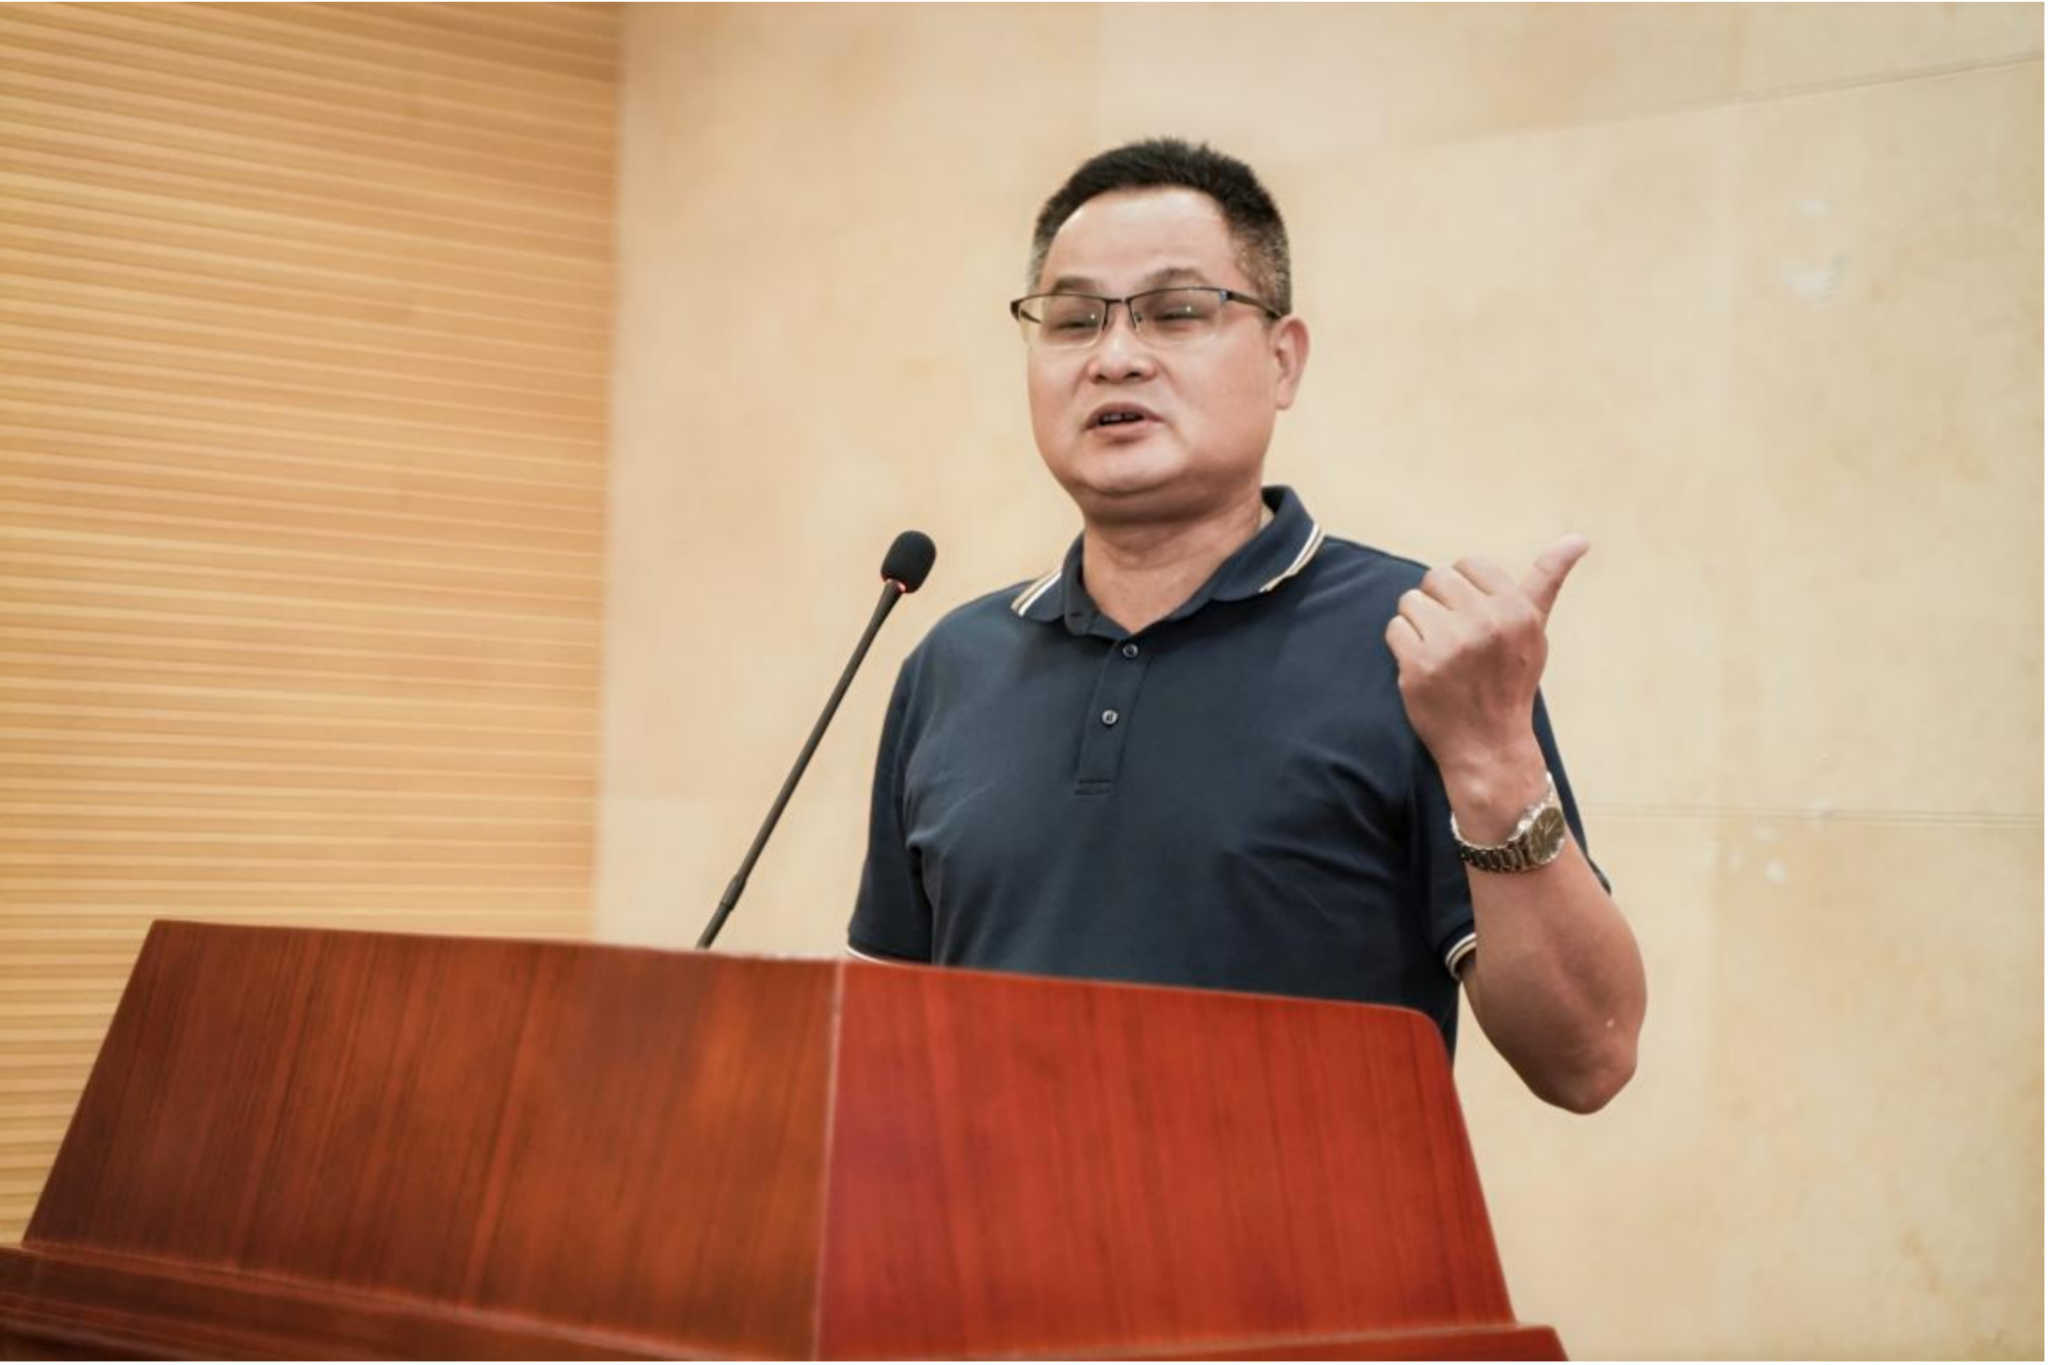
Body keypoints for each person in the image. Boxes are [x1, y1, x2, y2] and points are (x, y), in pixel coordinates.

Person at [846, 138, 1645, 1113]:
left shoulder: (1415, 646)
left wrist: (1494, 762)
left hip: (1303, 1220)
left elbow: (1586, 1059)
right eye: (1072, 320)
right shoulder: (953, 663)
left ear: (1281, 359)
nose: (1114, 356)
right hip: (989, 1219)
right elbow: (893, 1046)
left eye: (1176, 312)